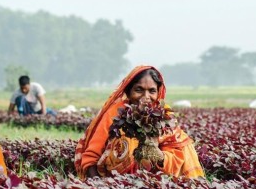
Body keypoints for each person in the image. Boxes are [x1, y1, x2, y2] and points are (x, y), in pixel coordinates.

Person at [74, 65, 205, 180]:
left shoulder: (164, 115)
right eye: (139, 90)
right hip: (115, 183)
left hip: (159, 185)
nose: (146, 97)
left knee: (185, 146)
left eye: (152, 91)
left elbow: (177, 154)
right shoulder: (114, 114)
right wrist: (100, 187)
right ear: (128, 92)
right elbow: (91, 157)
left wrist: (159, 156)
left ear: (158, 92)